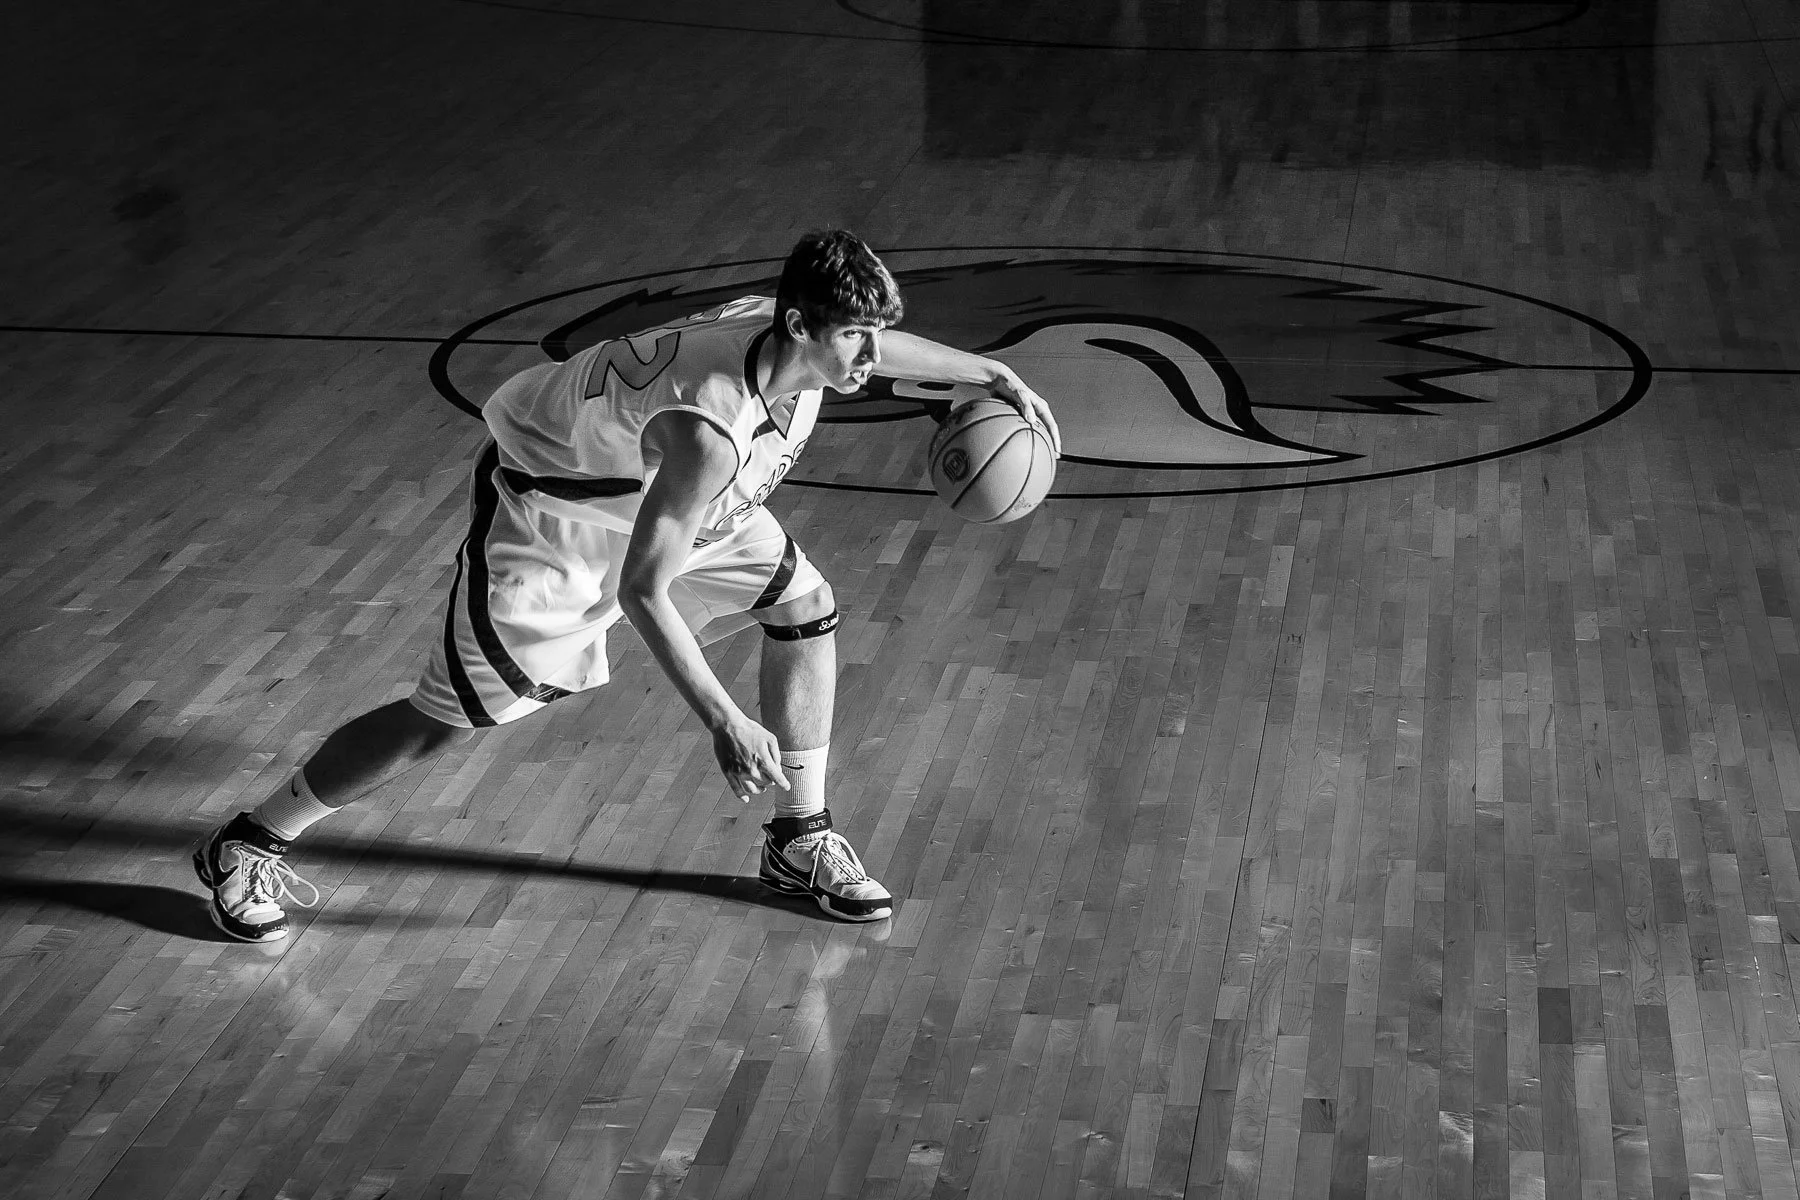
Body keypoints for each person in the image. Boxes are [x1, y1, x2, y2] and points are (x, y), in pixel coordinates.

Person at [193, 229, 1061, 941]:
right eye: (855, 339)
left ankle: (800, 836)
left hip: (662, 499)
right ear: (799, 326)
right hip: (556, 521)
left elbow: (881, 338)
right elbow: (646, 591)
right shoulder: (709, 429)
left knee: (804, 606)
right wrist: (725, 719)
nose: (873, 357)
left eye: (878, 334)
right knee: (446, 722)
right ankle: (251, 839)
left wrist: (989, 372)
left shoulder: (786, 335)